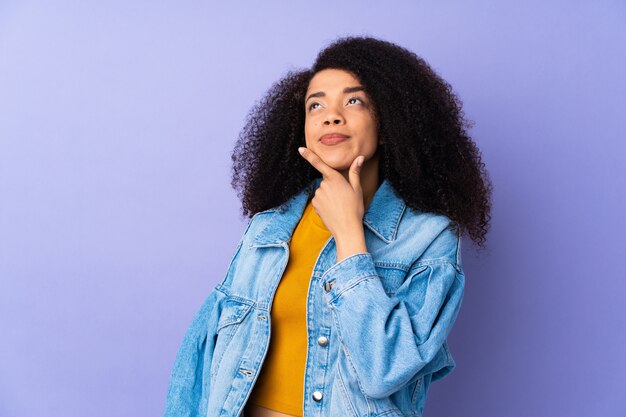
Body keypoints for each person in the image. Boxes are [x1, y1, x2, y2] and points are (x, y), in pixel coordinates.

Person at [164, 36, 492, 417]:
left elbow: (386, 370)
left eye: (353, 101)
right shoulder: (270, 226)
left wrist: (350, 235)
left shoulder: (429, 237)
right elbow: (205, 355)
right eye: (315, 104)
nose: (330, 116)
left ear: (386, 124)